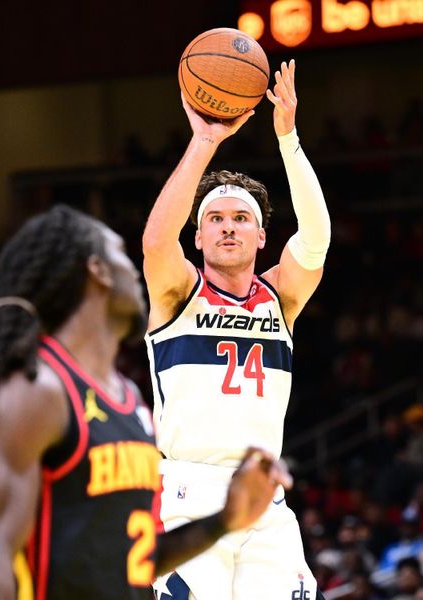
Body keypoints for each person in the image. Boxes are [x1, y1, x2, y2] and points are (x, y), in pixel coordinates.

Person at [0, 205, 291, 600]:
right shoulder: (38, 390)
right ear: (97, 270)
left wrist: (224, 521)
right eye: (121, 253)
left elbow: (134, 560)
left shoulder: (129, 401)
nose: (135, 268)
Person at [143, 59, 331, 599]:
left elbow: (316, 238)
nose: (228, 226)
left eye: (241, 218)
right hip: (188, 497)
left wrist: (288, 137)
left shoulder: (281, 297)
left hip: (263, 500)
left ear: (261, 236)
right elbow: (157, 243)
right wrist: (204, 140)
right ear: (198, 238)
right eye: (215, 220)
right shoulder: (178, 293)